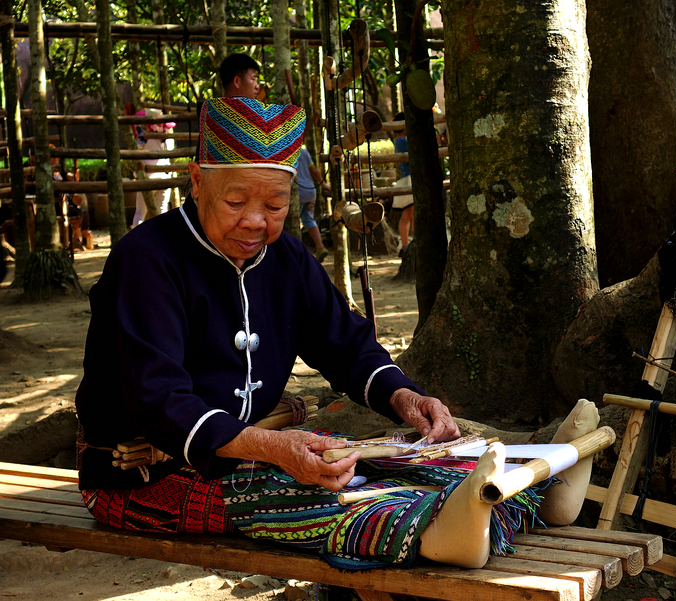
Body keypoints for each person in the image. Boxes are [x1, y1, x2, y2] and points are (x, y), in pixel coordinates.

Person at [74, 97, 598, 571]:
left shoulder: (285, 259)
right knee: (320, 491)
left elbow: (344, 341)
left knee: (394, 458)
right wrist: (273, 447)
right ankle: (445, 537)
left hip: (255, 450)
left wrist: (404, 396)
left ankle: (540, 494)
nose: (256, 222)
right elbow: (160, 400)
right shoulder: (146, 262)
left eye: (276, 206)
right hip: (144, 479)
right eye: (236, 203)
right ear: (196, 181)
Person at [132, 108, 176, 227]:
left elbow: (137, 149)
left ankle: (138, 240)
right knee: (160, 212)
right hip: (164, 178)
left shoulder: (144, 137)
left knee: (140, 214)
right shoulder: (169, 138)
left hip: (149, 178)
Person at [296, 146, 330, 262]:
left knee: (294, 222)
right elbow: (314, 170)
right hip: (310, 191)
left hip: (297, 192)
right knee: (309, 218)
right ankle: (320, 246)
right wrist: (324, 184)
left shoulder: (287, 151)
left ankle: (297, 253)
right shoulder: (304, 152)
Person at [390, 112, 414, 257]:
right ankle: (405, 245)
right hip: (407, 179)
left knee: (409, 214)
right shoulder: (401, 141)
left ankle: (406, 244)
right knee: (407, 214)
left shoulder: (402, 140)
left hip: (407, 178)